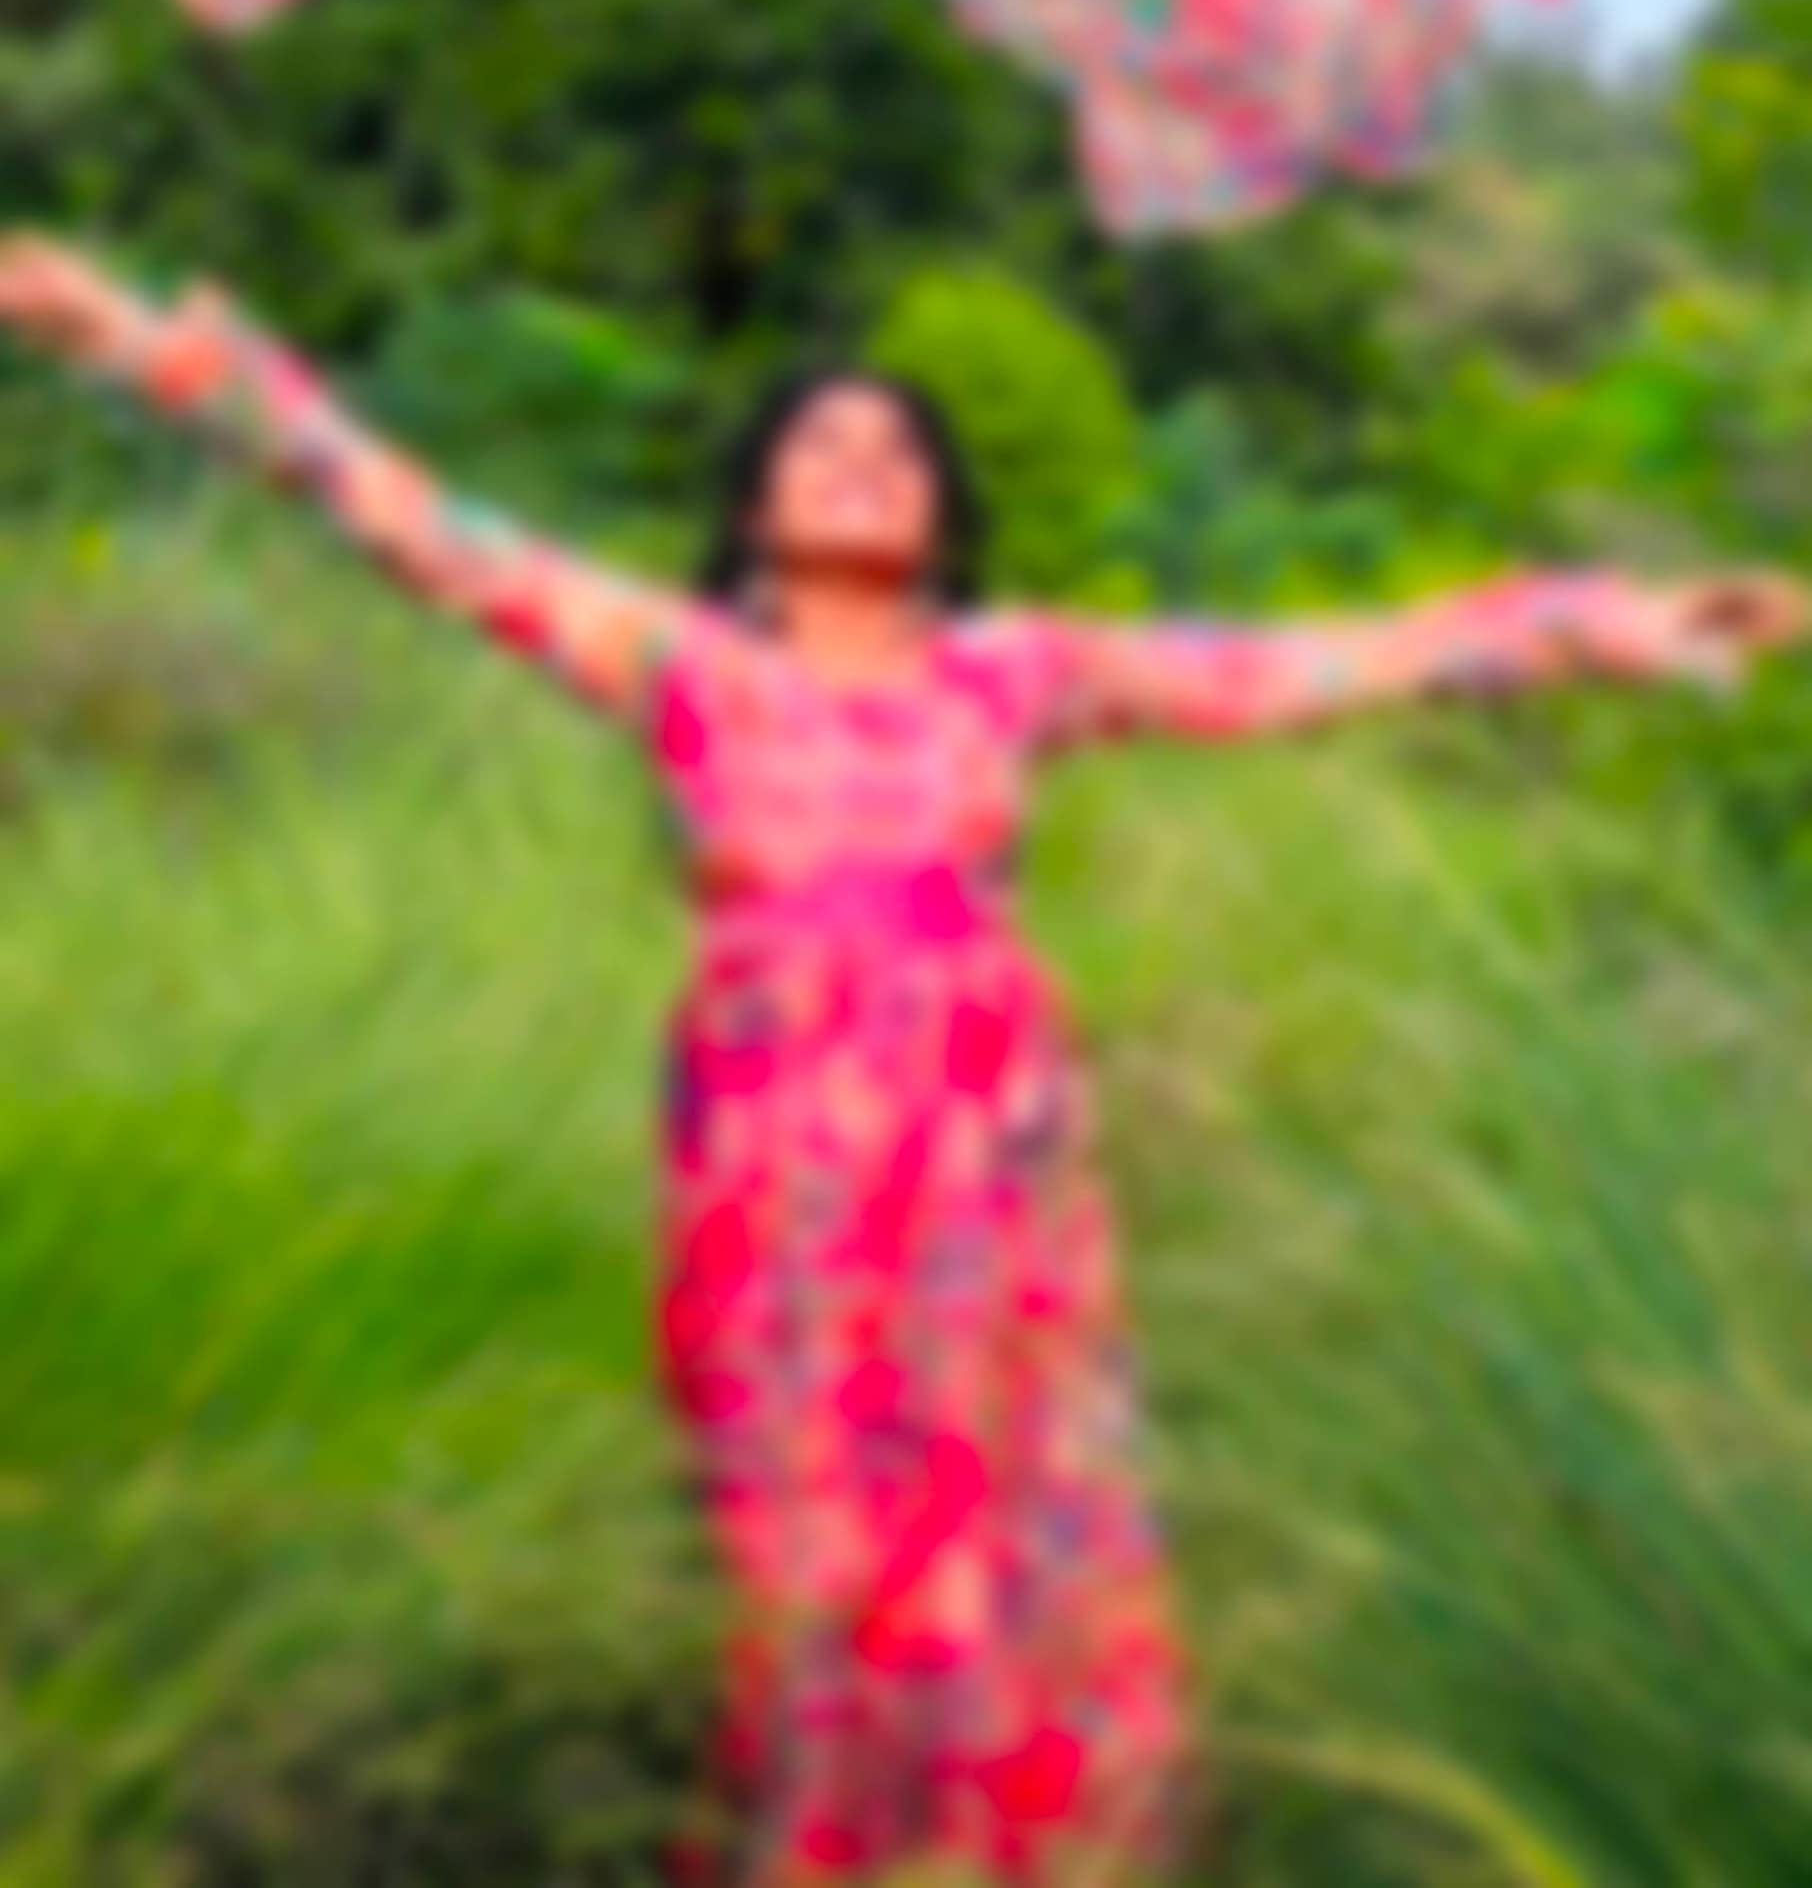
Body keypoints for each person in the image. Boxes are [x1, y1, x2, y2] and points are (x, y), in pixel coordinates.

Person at [2, 233, 1805, 1888]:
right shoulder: (680, 661)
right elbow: (416, 517)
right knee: (796, 1538)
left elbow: (1301, 659)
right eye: (821, 443)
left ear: (943, 515)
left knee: (1008, 1503)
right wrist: (137, 338)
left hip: (983, 1152)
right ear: (755, 508)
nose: (863, 463)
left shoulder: (1014, 670)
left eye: (900, 450)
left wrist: (1615, 629)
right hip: (774, 1150)